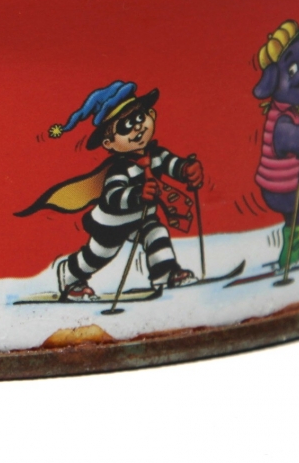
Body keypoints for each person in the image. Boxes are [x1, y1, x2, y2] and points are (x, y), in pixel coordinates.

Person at [18, 81, 203, 299]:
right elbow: (113, 196)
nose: (137, 128)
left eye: (140, 117)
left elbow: (173, 165)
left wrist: (187, 170)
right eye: (125, 126)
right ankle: (70, 274)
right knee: (98, 255)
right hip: (112, 224)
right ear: (109, 143)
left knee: (156, 234)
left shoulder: (157, 155)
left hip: (143, 217)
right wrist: (138, 194)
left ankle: (166, 274)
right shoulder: (119, 169)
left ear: (151, 115)